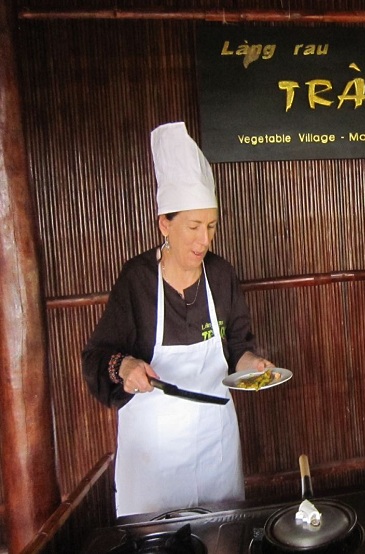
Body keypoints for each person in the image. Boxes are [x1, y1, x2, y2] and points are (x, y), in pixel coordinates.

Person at [82, 122, 273, 516]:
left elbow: (237, 347)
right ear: (164, 225)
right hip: (155, 452)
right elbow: (97, 357)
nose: (205, 239)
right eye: (193, 227)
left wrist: (254, 365)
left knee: (221, 533)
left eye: (212, 226)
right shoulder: (136, 280)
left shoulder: (220, 276)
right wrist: (127, 366)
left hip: (215, 441)